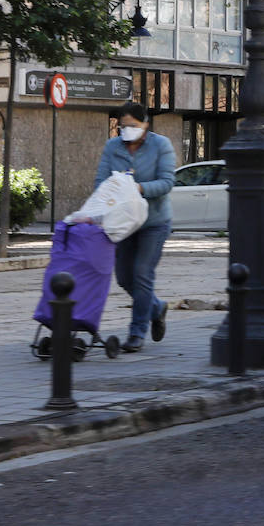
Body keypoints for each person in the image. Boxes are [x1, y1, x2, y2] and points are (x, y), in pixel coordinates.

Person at [94, 101, 176, 352]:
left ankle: (137, 332)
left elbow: (167, 182)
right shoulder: (112, 147)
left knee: (142, 274)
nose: (127, 130)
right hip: (123, 223)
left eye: (133, 125)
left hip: (154, 222)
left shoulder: (161, 145)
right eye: (123, 126)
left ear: (145, 124)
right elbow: (101, 180)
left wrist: (139, 188)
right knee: (125, 278)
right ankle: (156, 307)